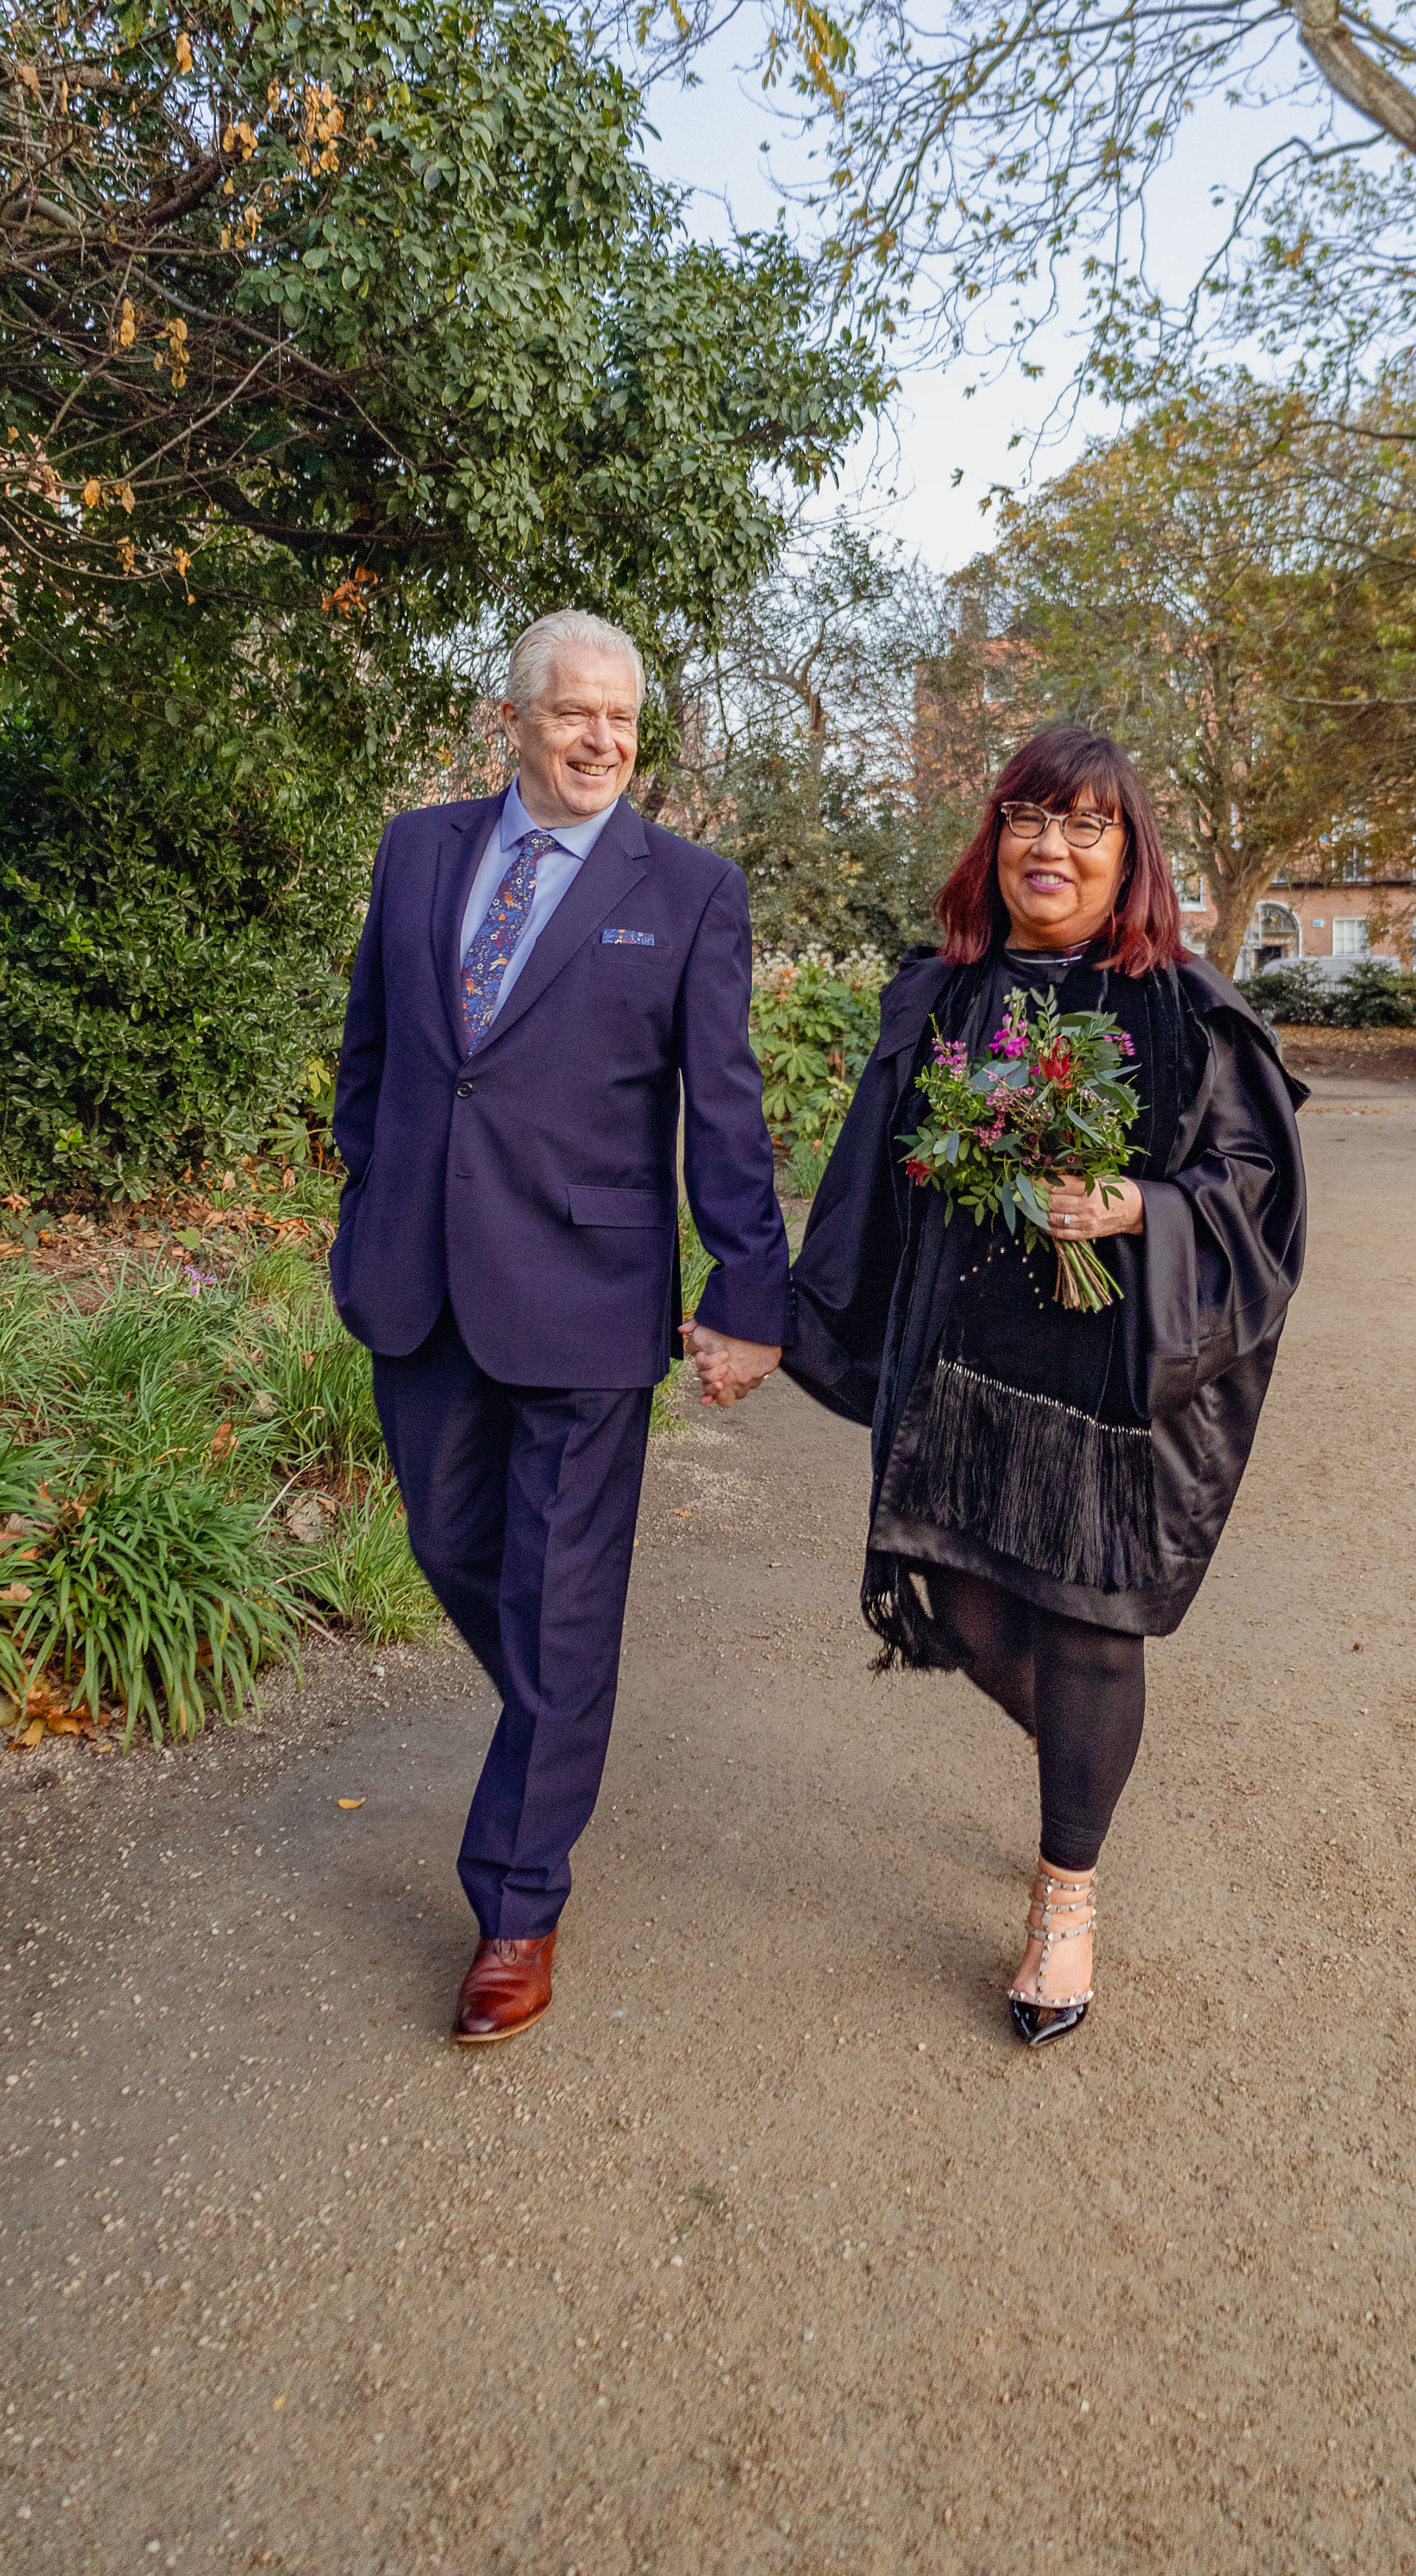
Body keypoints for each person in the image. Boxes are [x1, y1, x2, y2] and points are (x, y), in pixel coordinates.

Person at [784, 725, 1307, 2045]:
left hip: (1107, 1383)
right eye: (1028, 819)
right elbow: (870, 1177)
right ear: (995, 840)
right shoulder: (946, 997)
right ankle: (1083, 1750)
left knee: (1086, 1629)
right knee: (961, 1600)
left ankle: (1066, 1895)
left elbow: (1254, 1187)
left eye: (1086, 826)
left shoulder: (1183, 1007)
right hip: (963, 1368)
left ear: (1129, 856)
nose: (1052, 849)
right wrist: (771, 1316)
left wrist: (1138, 1206)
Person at [328, 608, 787, 2046]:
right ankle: (558, 1710)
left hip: (588, 1296)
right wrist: (367, 1193)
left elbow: (724, 1107)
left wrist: (748, 1289)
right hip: (420, 1281)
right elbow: (373, 1053)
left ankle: (516, 1905)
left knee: (566, 1599)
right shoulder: (419, 853)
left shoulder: (690, 891)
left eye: (624, 721)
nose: (603, 741)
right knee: (453, 1549)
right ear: (512, 722)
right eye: (576, 713)